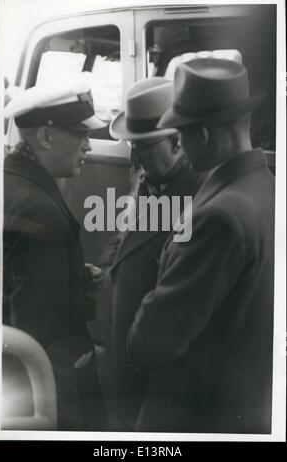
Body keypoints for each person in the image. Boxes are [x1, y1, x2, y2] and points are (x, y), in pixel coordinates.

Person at [127, 58, 275, 433]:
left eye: (182, 131)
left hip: (195, 414)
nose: (180, 142)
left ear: (205, 134)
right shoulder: (266, 186)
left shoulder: (217, 217)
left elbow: (154, 339)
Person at [99, 77, 205, 431]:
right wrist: (107, 268)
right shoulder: (148, 181)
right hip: (125, 350)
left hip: (152, 369)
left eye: (143, 146)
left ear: (177, 142)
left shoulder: (200, 196)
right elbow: (124, 234)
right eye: (132, 145)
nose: (134, 156)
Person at [3, 73, 107, 430]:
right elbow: (42, 338)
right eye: (81, 134)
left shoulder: (10, 180)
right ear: (46, 137)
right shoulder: (40, 210)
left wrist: (71, 277)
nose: (88, 145)